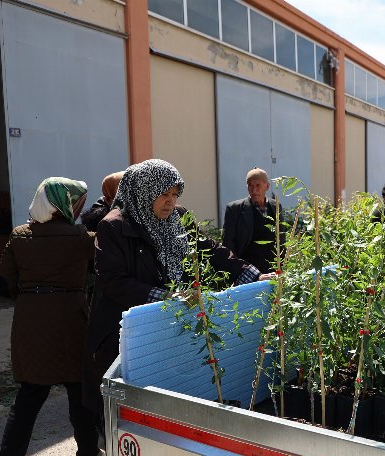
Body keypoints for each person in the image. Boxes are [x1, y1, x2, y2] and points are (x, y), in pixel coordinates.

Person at [83, 159, 274, 428]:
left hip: (168, 318)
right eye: (164, 194)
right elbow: (112, 281)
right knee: (125, 406)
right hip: (125, 328)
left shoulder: (178, 217)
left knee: (164, 389)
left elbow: (211, 249)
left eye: (174, 194)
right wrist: (163, 297)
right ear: (144, 191)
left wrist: (252, 274)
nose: (170, 201)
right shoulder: (113, 226)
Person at [0, 177, 105, 456]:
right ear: (65, 204)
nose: (80, 207)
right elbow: (104, 271)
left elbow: (0, 283)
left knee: (27, 399)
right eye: (77, 202)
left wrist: (31, 296)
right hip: (70, 319)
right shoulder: (82, 238)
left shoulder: (20, 236)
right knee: (79, 392)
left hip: (29, 319)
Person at [222, 168, 281, 273]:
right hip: (247, 271)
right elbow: (228, 244)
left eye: (258, 185)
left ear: (267, 186)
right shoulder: (235, 209)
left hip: (272, 270)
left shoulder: (275, 206)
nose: (254, 190)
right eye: (250, 185)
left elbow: (281, 238)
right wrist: (237, 270)